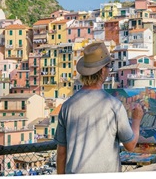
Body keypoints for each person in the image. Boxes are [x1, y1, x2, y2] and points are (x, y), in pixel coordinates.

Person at [54, 41, 144, 174]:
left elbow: (61, 153)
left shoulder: (67, 106)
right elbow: (130, 145)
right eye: (109, 66)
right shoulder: (114, 105)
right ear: (103, 70)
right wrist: (136, 121)